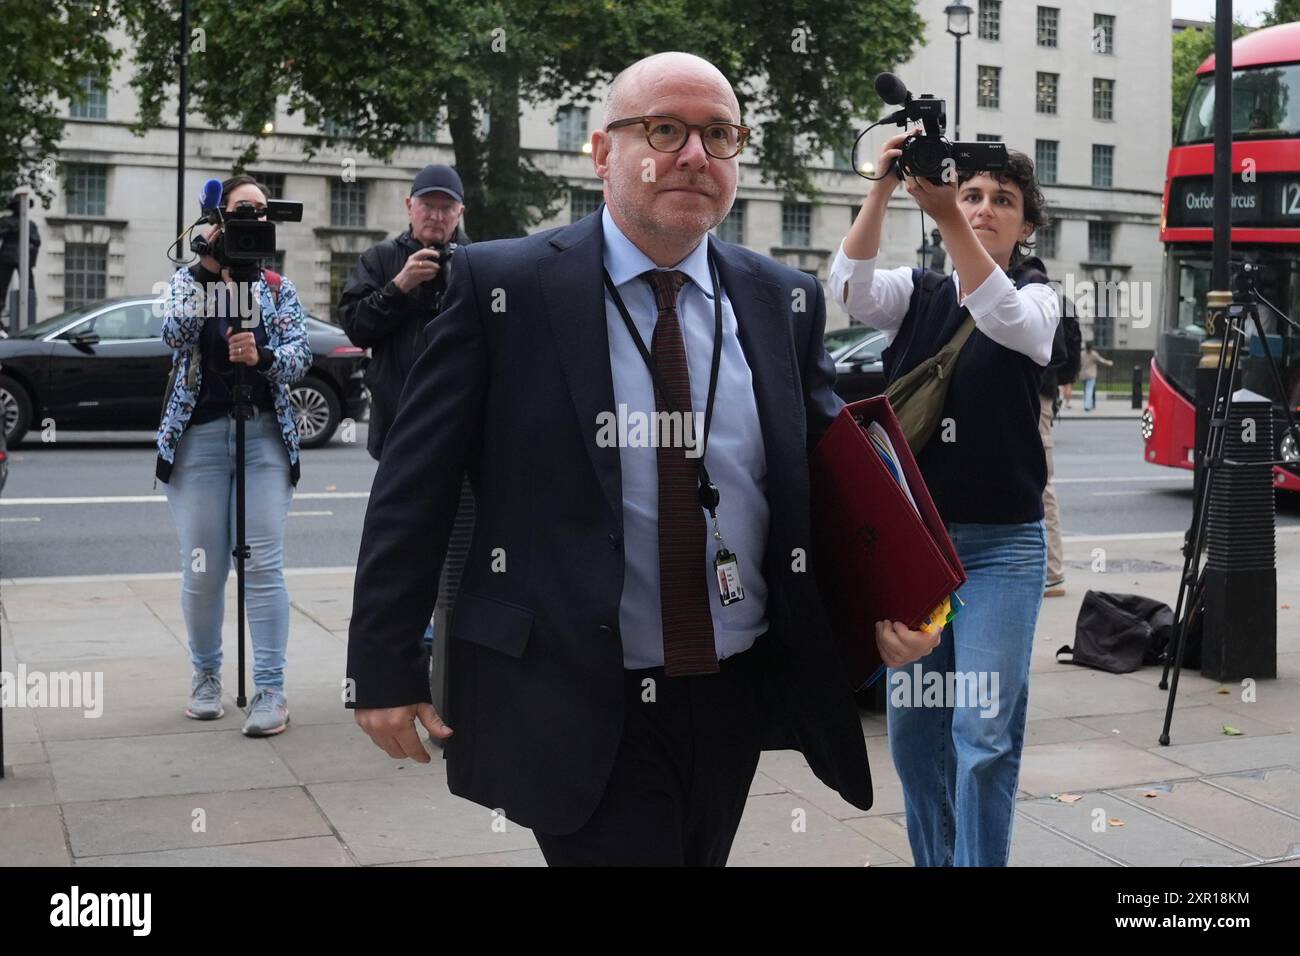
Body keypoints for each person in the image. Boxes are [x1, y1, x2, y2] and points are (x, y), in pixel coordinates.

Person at [345, 51, 938, 867]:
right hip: (576, 687)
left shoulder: (782, 300)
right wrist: (381, 662)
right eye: (665, 129)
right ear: (601, 153)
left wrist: (891, 606)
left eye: (720, 135)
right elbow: (416, 485)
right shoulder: (501, 287)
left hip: (736, 685)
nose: (695, 155)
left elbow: (823, 483)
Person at [831, 134, 1060, 866]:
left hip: (1002, 550)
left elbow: (1006, 322)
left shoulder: (1040, 297)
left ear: (1027, 225)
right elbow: (848, 288)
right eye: (972, 196)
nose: (985, 209)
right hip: (919, 551)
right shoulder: (919, 293)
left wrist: (949, 221)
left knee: (984, 730)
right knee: (914, 732)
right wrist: (885, 185)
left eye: (1003, 201)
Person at [156, 174, 313, 736]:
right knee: (205, 567)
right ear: (216, 219)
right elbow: (172, 333)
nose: (252, 219)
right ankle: (205, 677)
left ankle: (271, 689)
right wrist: (206, 275)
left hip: (263, 436)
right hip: (198, 439)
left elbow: (301, 355)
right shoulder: (187, 280)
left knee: (263, 564)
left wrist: (264, 355)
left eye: (260, 211)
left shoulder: (275, 286)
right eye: (240, 210)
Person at [338, 164, 469, 461]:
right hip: (397, 416)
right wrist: (399, 287)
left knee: (461, 506)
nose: (436, 216)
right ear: (410, 206)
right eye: (427, 206)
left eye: (446, 207)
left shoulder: (475, 260)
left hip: (457, 416)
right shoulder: (380, 258)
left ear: (460, 212)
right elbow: (356, 327)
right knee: (399, 505)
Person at [1040, 289, 1081, 598]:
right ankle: (1051, 569)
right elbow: (1070, 362)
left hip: (1035, 395)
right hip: (1044, 394)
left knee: (1042, 484)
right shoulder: (1057, 296)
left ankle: (1053, 571)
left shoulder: (1035, 292)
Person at [0, 194, 41, 326]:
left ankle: (30, 312)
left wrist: (28, 234)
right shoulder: (5, 221)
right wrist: (13, 229)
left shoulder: (30, 224)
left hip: (23, 257)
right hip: (6, 256)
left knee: (29, 287)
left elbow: (36, 241)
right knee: (1, 287)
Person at [1080, 342, 1113, 411]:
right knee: (1089, 390)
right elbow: (1102, 361)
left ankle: (1089, 404)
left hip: (1083, 374)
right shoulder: (1093, 354)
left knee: (1085, 390)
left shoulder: (1081, 354)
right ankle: (1087, 406)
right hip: (1091, 375)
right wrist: (1109, 363)